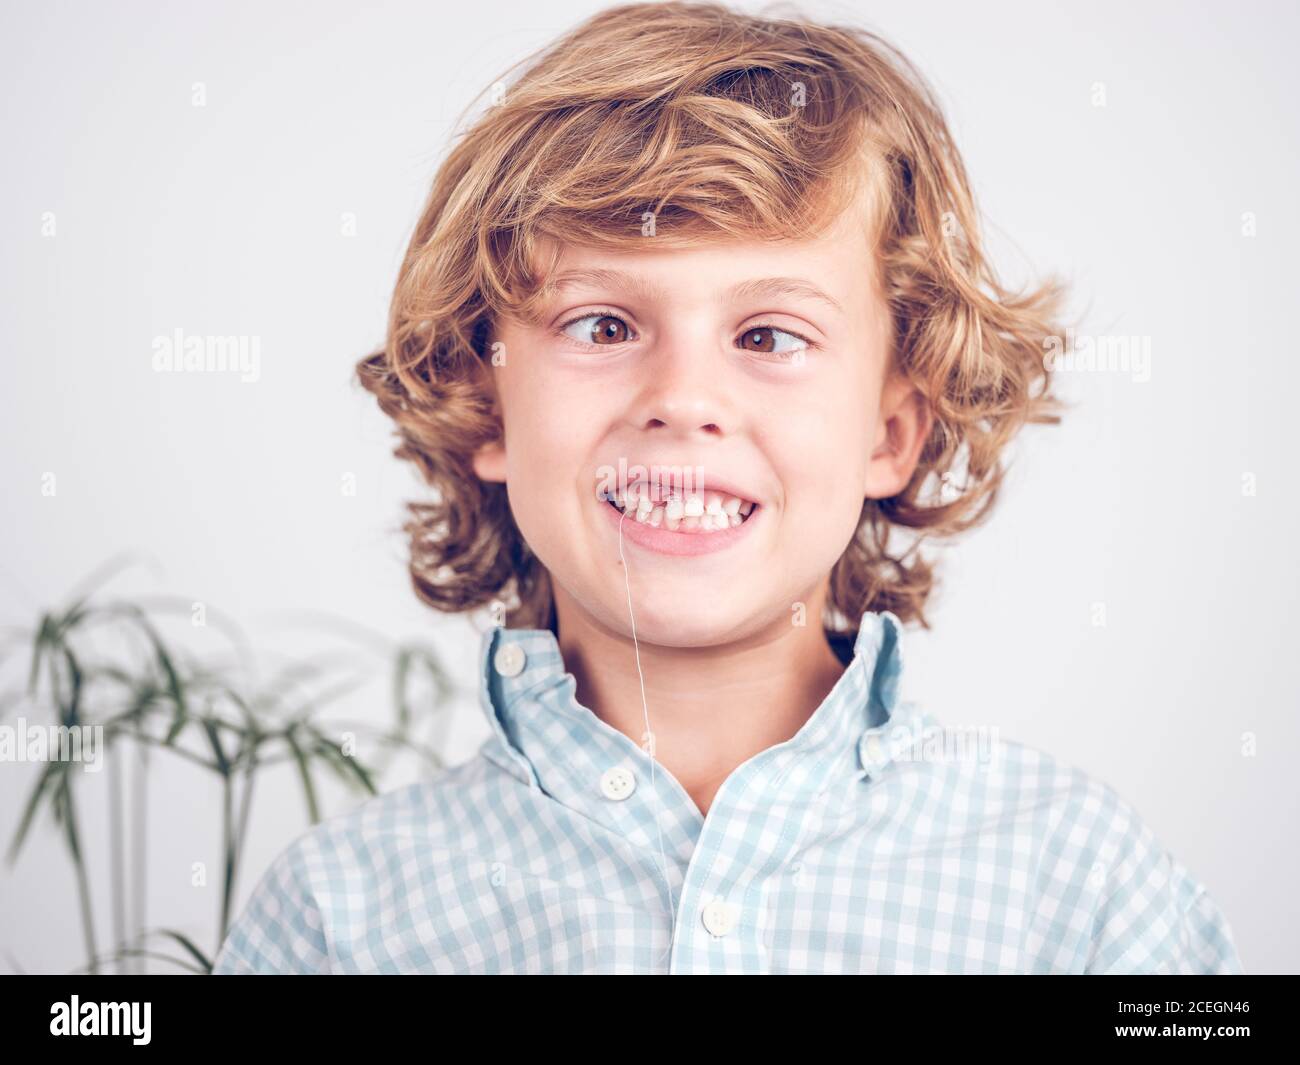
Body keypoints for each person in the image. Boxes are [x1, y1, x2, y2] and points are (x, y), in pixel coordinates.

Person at [212, 0, 1241, 974]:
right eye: (603, 325)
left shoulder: (1082, 888)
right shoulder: (337, 920)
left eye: (767, 336)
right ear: (486, 407)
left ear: (889, 434)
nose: (682, 398)